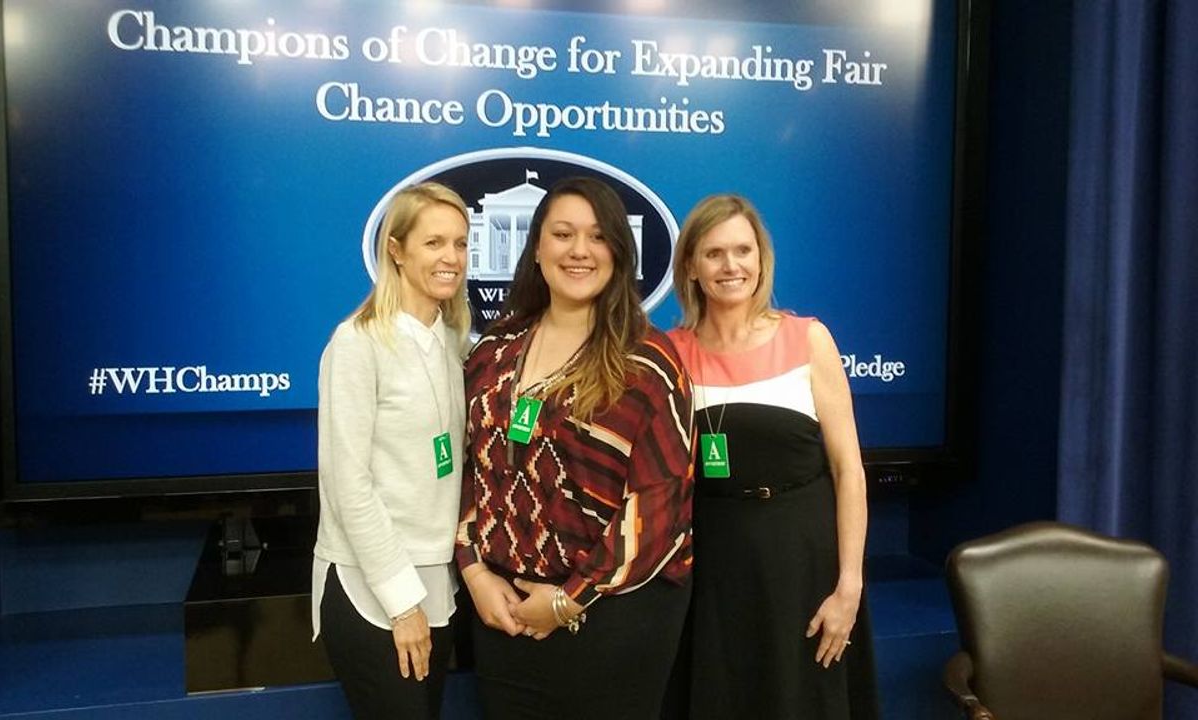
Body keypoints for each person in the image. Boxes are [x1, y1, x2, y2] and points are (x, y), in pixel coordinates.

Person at [455, 176, 694, 720]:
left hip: (613, 617)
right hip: (503, 611)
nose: (579, 250)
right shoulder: (494, 350)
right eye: (563, 234)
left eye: (597, 236)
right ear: (537, 248)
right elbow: (467, 470)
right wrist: (474, 571)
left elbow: (660, 503)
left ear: (619, 253)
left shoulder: (647, 363)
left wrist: (569, 600)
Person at [666, 194, 880, 719]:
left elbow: (848, 472)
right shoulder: (669, 353)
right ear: (691, 266)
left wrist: (849, 587)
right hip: (712, 571)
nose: (730, 266)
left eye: (743, 250)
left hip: (804, 564)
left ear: (761, 260)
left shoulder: (808, 339)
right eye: (714, 253)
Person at [311, 182, 471, 720]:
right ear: (396, 250)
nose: (451, 257)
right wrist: (403, 604)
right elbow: (348, 486)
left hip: (437, 585)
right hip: (373, 588)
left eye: (460, 243)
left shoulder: (452, 343)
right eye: (434, 243)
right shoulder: (357, 343)